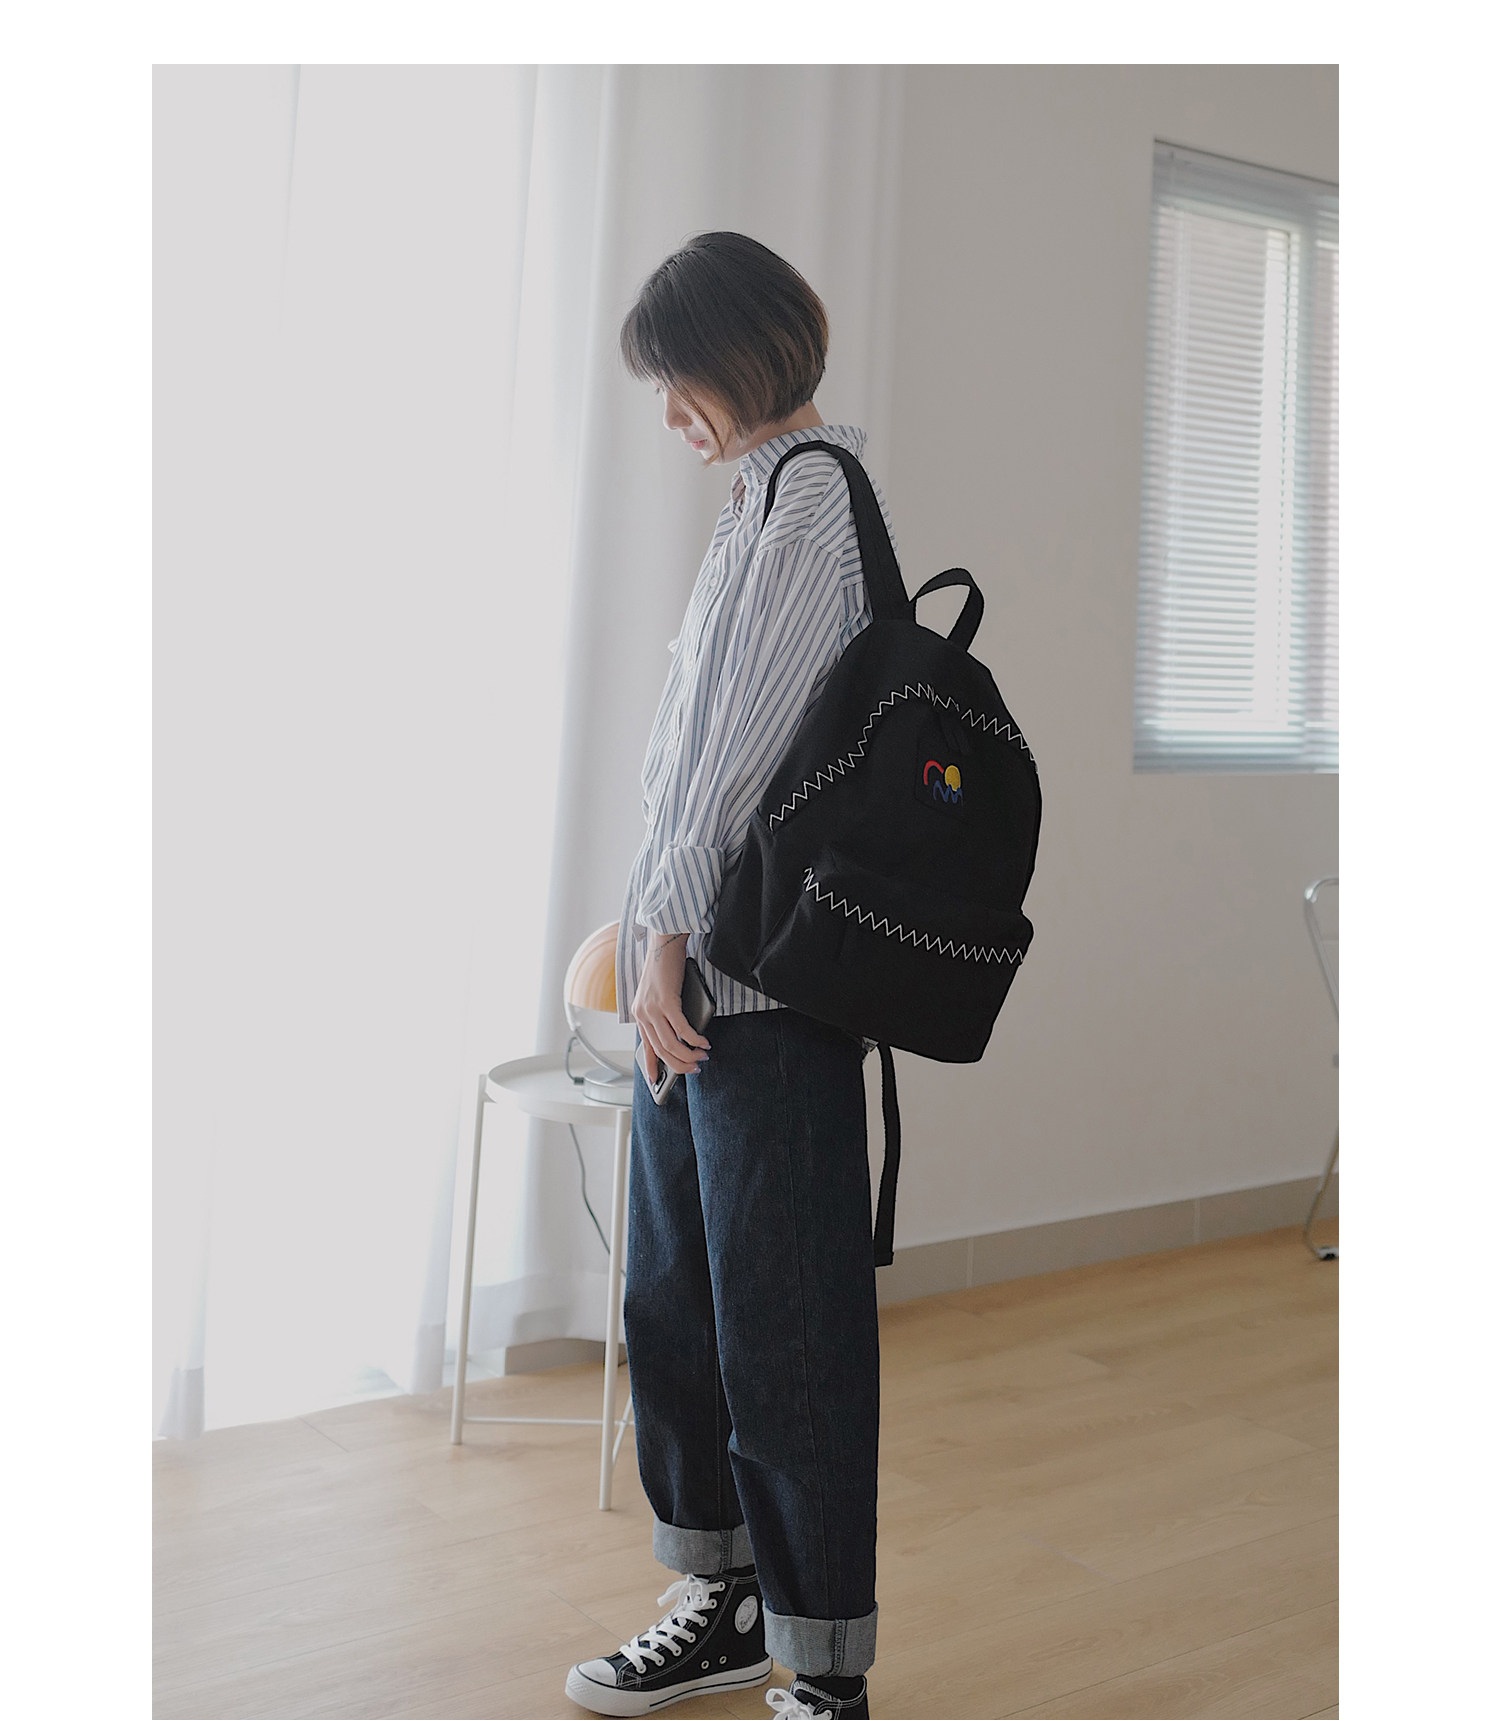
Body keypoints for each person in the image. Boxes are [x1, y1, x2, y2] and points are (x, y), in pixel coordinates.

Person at [564, 234, 891, 1721]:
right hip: (693, 978)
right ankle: (724, 1596)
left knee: (787, 1332)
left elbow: (741, 757)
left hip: (750, 987)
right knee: (680, 1305)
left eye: (678, 378)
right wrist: (649, 938)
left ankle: (822, 1664)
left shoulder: (811, 498)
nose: (670, 411)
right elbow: (685, 752)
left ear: (739, 355)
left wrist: (665, 948)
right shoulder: (759, 496)